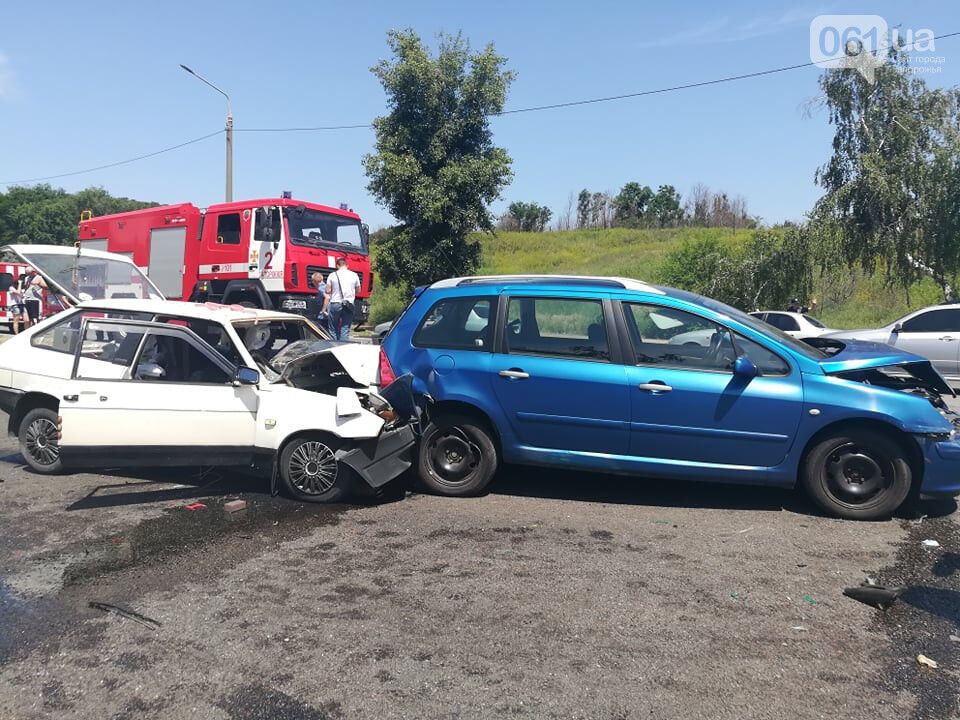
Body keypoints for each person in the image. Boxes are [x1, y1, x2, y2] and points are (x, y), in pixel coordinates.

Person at [322, 257, 361, 341]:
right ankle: (343, 347)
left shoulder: (332, 275)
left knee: (333, 328)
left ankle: (334, 346)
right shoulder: (354, 275)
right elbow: (358, 290)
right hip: (349, 304)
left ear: (337, 265)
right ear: (347, 265)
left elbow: (327, 290)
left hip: (335, 303)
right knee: (345, 328)